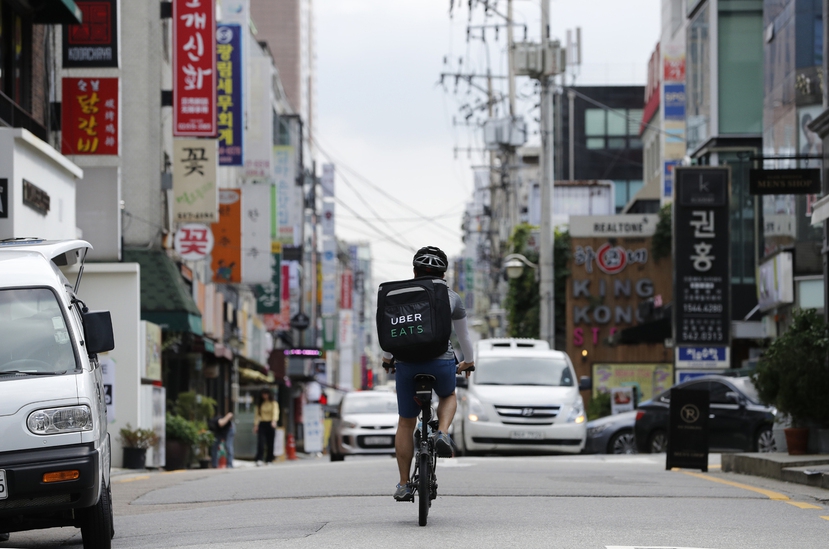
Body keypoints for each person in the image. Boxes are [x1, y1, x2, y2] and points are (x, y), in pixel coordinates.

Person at [381, 246, 475, 502]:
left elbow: (389, 332)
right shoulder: (451, 297)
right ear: (444, 273)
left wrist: (388, 360)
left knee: (405, 422)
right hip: (441, 362)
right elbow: (463, 336)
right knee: (448, 394)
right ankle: (442, 432)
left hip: (407, 364)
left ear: (414, 271)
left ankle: (403, 484)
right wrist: (469, 361)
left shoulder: (398, 294)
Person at [253, 388, 279, 466]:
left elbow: (275, 412)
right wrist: (255, 425)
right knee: (261, 442)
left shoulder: (273, 403)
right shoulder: (260, 403)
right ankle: (259, 459)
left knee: (270, 442)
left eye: (266, 394)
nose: (264, 396)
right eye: (263, 394)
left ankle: (269, 459)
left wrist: (274, 421)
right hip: (262, 423)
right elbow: (257, 415)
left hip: (271, 423)